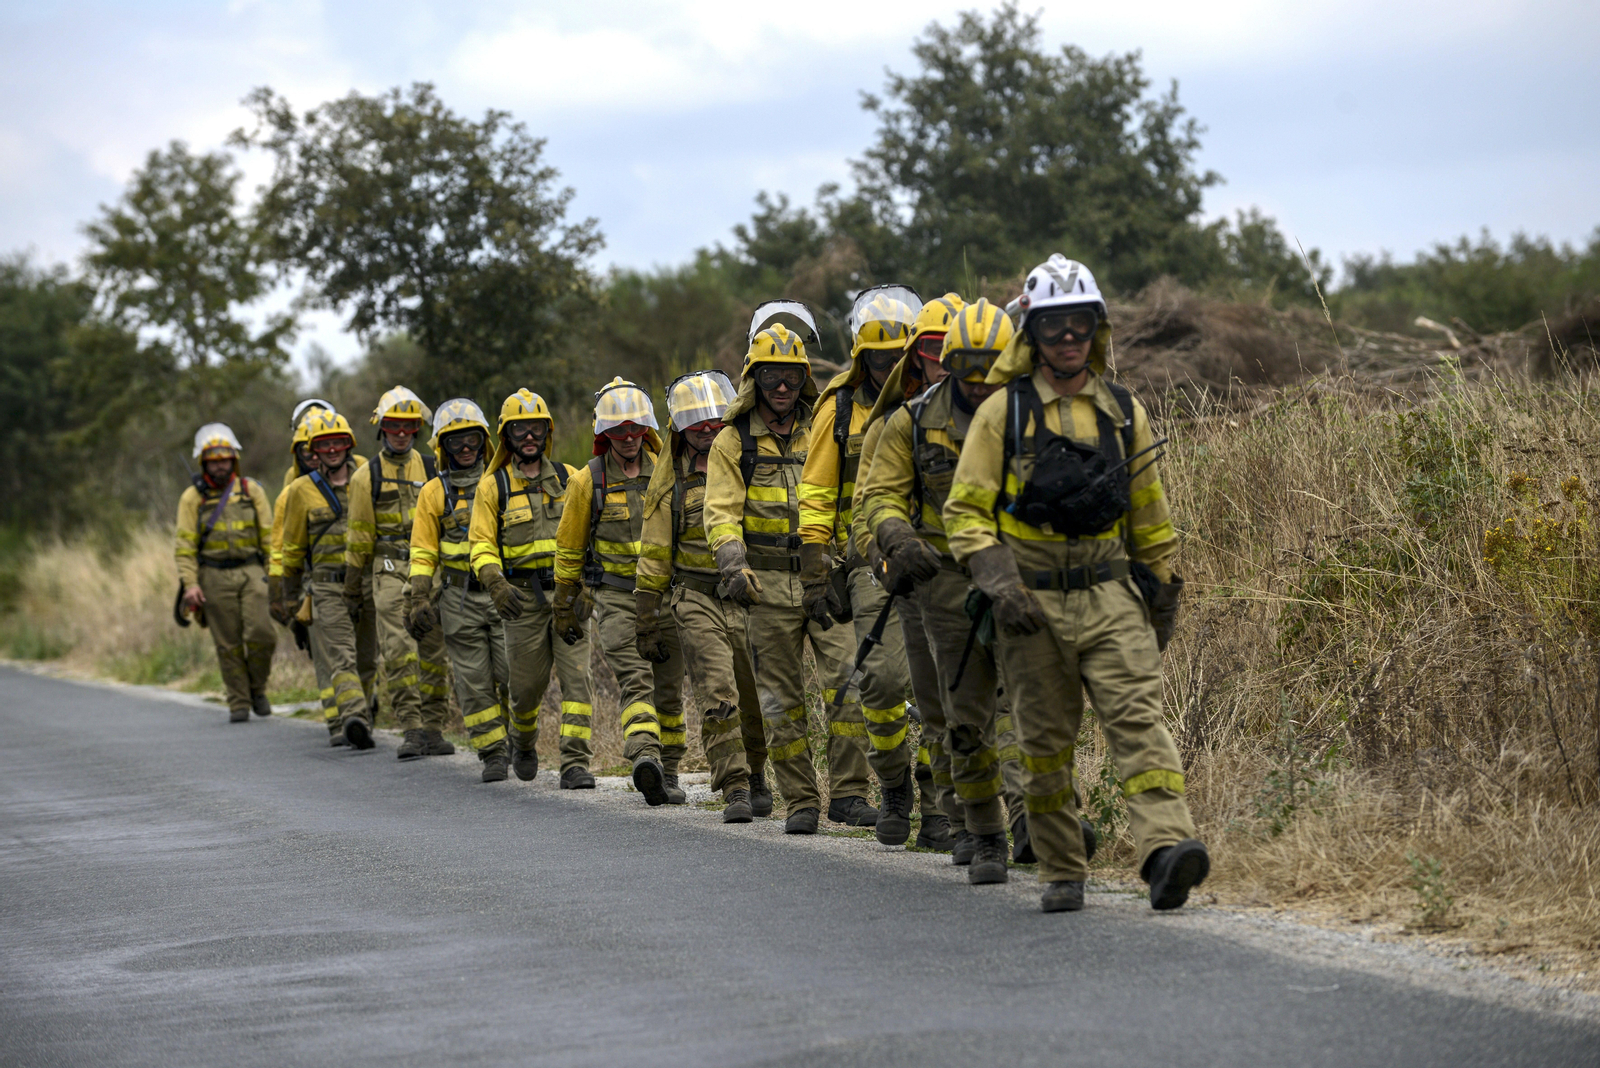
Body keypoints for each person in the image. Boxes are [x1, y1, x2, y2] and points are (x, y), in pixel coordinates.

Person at [944, 255, 1203, 913]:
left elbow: (1151, 515)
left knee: (1140, 722)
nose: (1068, 338)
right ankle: (1063, 868)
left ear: (1098, 328)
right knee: (1045, 745)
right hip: (1031, 605)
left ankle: (1166, 851)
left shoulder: (1121, 410)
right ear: (1032, 333)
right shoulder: (1001, 413)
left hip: (1113, 595)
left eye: (1080, 324)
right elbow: (965, 513)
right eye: (1055, 326)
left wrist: (1162, 595)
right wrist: (1000, 583)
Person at [703, 319, 877, 835]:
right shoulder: (731, 442)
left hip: (827, 580)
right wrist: (733, 564)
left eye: (792, 377)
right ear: (754, 379)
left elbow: (845, 496)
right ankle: (801, 800)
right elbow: (720, 513)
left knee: (848, 683)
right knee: (781, 703)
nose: (783, 387)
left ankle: (850, 795)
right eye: (772, 376)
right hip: (767, 589)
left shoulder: (826, 424)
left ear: (805, 379)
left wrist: (848, 558)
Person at [637, 370, 769, 823]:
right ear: (680, 431)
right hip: (695, 597)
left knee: (754, 695)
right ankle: (733, 786)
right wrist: (646, 617)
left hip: (749, 595)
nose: (709, 432)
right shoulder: (668, 485)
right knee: (717, 692)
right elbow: (654, 555)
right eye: (698, 426)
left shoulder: (746, 463)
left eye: (716, 423)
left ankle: (757, 775)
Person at [552, 378, 686, 806]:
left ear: (646, 428)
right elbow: (569, 548)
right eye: (618, 430)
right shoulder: (586, 482)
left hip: (666, 597)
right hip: (615, 599)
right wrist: (564, 604)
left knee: (669, 689)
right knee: (635, 678)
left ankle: (673, 770)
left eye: (634, 429)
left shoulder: (667, 469)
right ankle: (645, 758)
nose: (628, 438)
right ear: (602, 434)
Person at [469, 389, 597, 789]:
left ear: (547, 433)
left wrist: (588, 584)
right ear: (506, 436)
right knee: (525, 690)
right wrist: (495, 584)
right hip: (519, 603)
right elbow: (481, 543)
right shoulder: (493, 488)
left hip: (567, 598)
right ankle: (523, 741)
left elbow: (591, 534)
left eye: (536, 428)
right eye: (520, 429)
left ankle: (575, 763)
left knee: (577, 681)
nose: (529, 436)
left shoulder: (571, 478)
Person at [345, 387, 450, 759]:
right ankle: (411, 728)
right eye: (394, 426)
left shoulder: (435, 467)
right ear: (381, 428)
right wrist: (352, 588)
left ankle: (435, 730)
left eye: (409, 427)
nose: (402, 433)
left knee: (434, 652)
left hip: (429, 570)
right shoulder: (365, 477)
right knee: (399, 651)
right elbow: (359, 539)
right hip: (387, 571)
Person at [406, 401, 508, 765]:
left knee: (511, 673)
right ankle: (493, 751)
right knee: (473, 681)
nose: (464, 449)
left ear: (484, 443)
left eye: (471, 440)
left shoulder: (502, 480)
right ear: (442, 448)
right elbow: (422, 552)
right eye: (455, 442)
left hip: (504, 595)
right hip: (457, 600)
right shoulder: (432, 493)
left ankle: (515, 740)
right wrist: (418, 598)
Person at [271, 399, 377, 733]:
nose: (331, 449)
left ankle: (360, 713)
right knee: (335, 655)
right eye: (321, 444)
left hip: (365, 583)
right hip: (323, 586)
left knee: (365, 659)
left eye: (338, 442)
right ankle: (347, 717)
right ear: (309, 450)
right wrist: (287, 598)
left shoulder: (366, 474)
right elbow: (287, 549)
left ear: (348, 444)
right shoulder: (296, 490)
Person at [174, 423, 276, 724]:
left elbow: (270, 538)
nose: (220, 465)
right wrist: (190, 584)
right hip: (213, 577)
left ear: (234, 460)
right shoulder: (192, 498)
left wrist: (277, 576)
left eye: (225, 459)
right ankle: (239, 701)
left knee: (263, 634)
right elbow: (184, 545)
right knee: (227, 643)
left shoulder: (251, 490)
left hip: (252, 570)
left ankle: (257, 688)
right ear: (204, 462)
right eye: (213, 460)